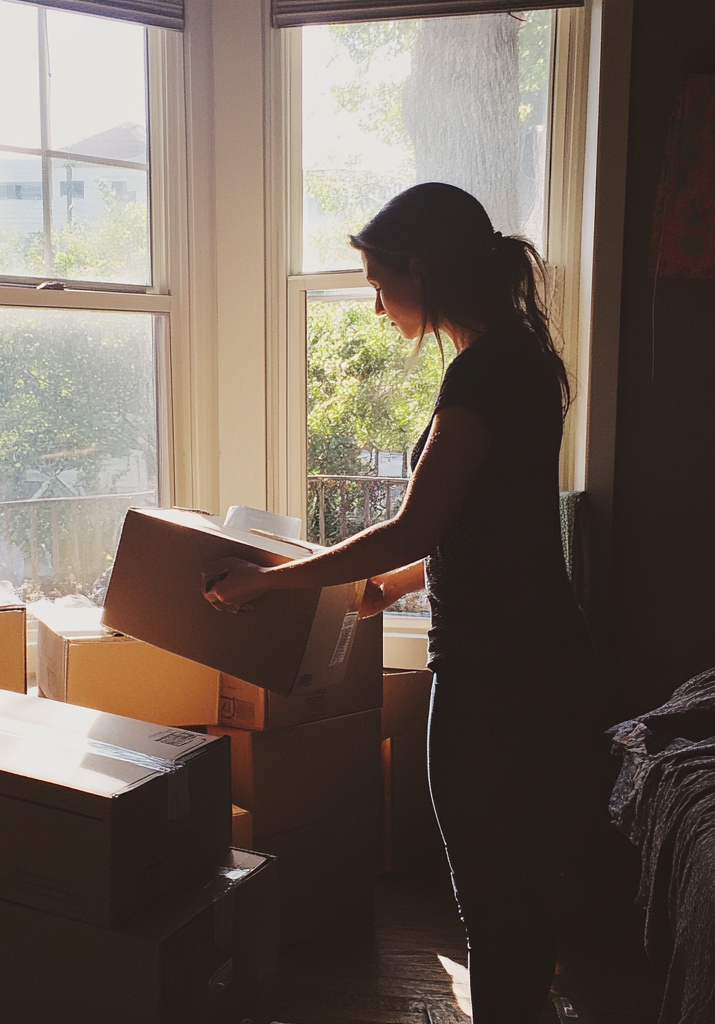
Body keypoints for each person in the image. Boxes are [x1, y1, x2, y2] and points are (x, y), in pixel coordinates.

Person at [203, 182, 595, 1024]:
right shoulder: (519, 358)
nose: (377, 306)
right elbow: (492, 522)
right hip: (536, 657)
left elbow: (418, 523)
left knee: (491, 881)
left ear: (422, 268)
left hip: (497, 673)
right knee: (519, 875)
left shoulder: (486, 372)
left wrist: (268, 581)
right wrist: (389, 589)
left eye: (381, 283)